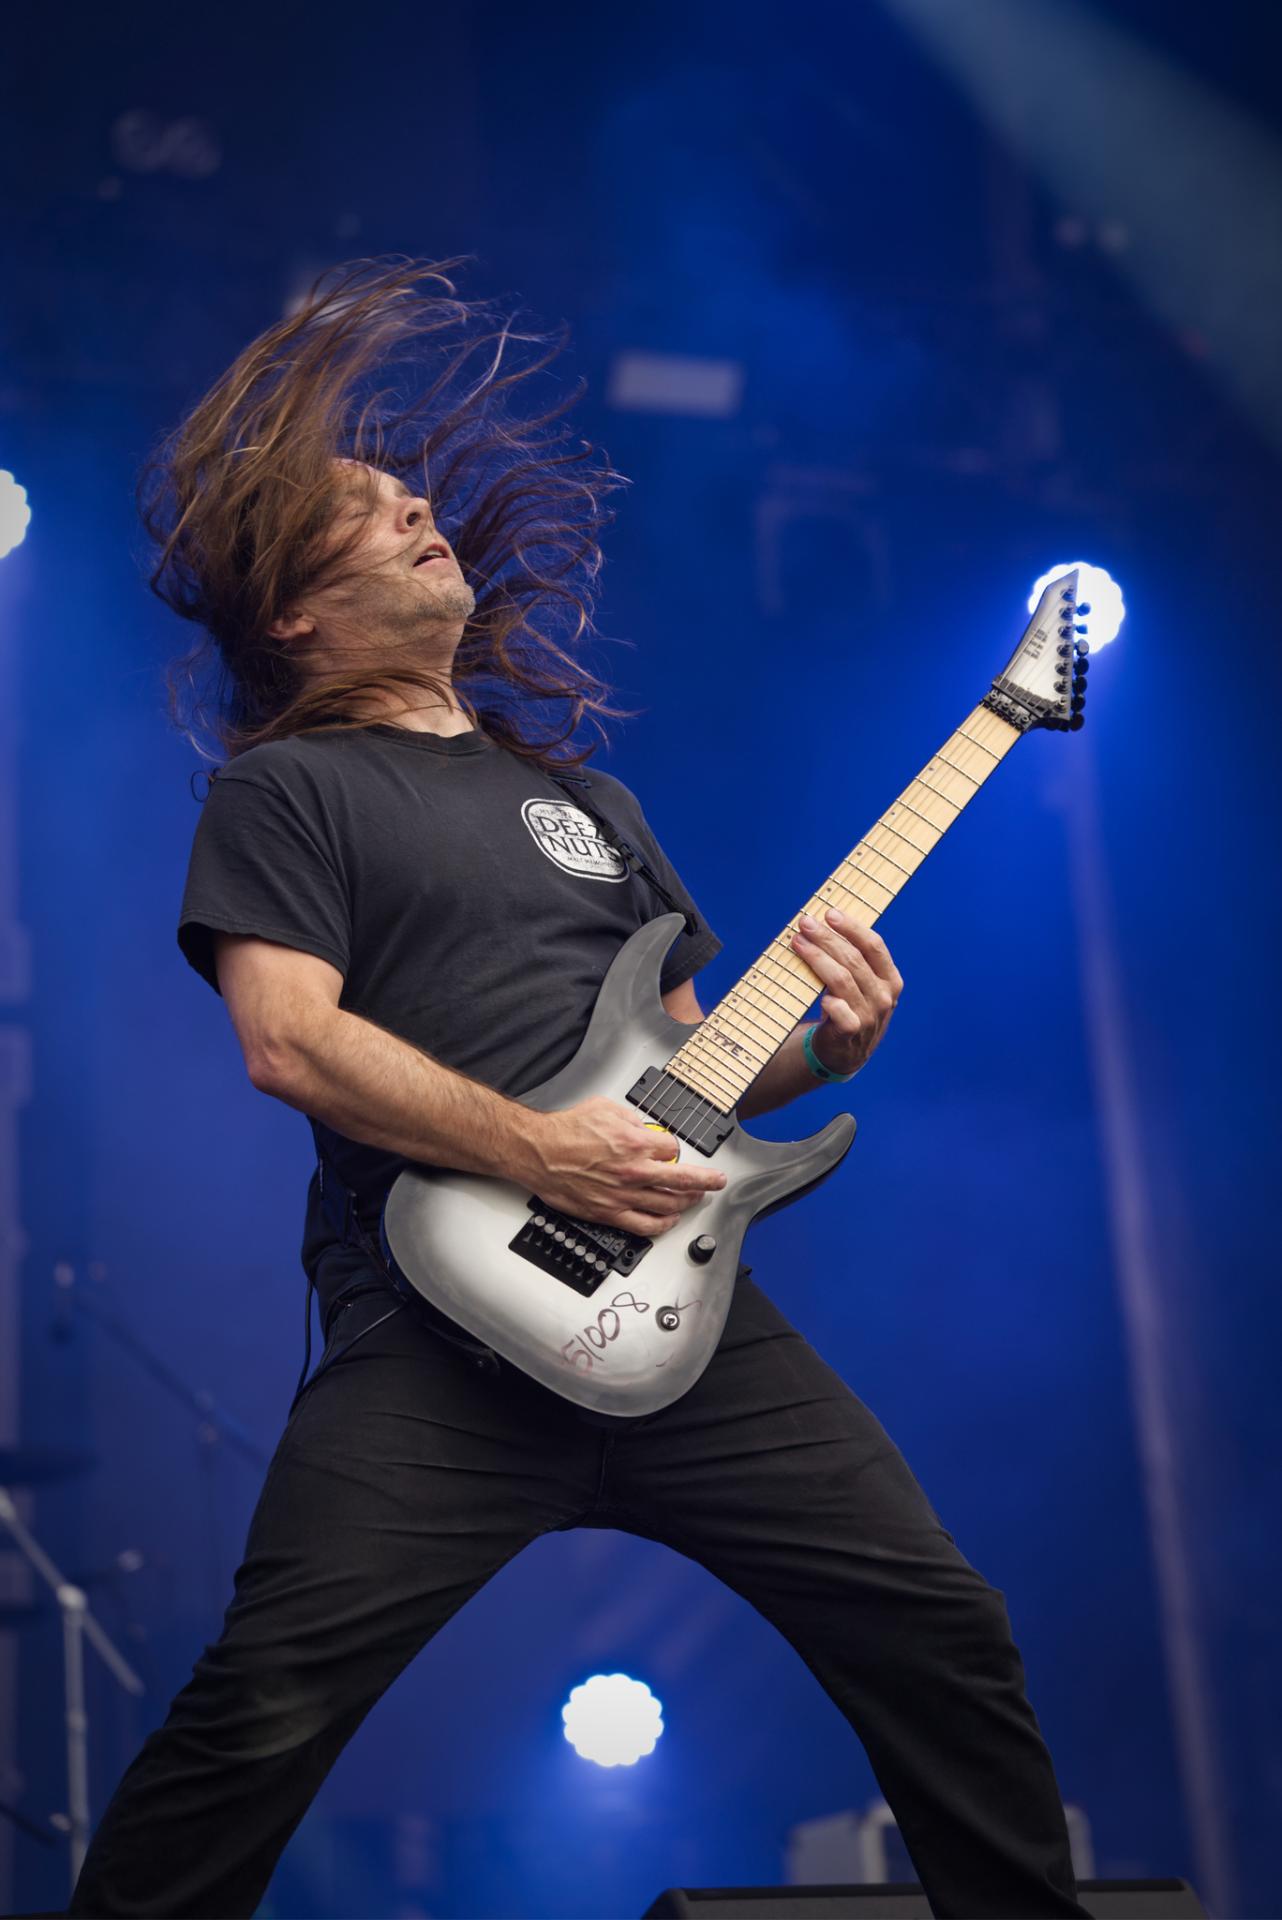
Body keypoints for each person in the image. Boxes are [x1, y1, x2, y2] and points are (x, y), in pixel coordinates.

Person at [69, 258, 1085, 1919]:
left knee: (941, 1630)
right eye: (365, 512)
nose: (415, 510)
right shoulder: (288, 793)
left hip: (688, 1331)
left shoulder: (590, 804)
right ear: (293, 617)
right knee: (262, 1709)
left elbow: (694, 1073)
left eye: (412, 493)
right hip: (441, 1333)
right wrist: (542, 1148)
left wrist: (828, 1046)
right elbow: (287, 1041)